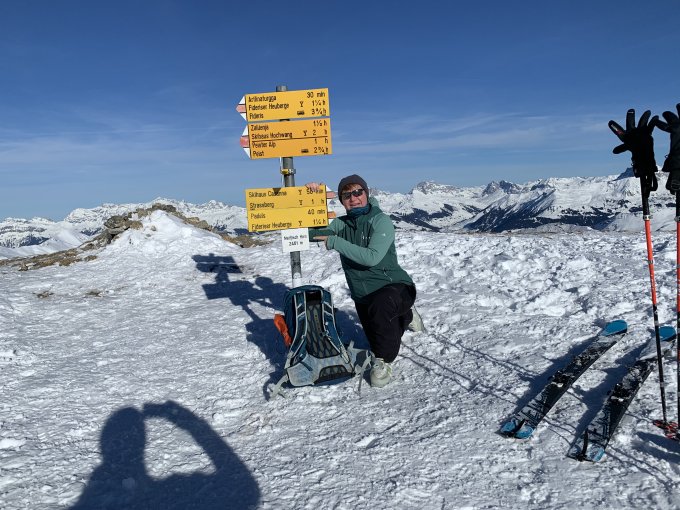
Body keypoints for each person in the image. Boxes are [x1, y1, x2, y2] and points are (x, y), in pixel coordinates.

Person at [306, 174, 423, 388]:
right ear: (342, 201)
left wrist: (335, 242)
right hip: (364, 297)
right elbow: (312, 235)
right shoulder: (341, 224)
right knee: (378, 329)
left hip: (396, 287)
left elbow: (371, 257)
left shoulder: (380, 220)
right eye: (347, 195)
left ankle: (384, 361)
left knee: (383, 342)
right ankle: (406, 315)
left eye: (358, 192)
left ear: (366, 194)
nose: (353, 198)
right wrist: (313, 201)